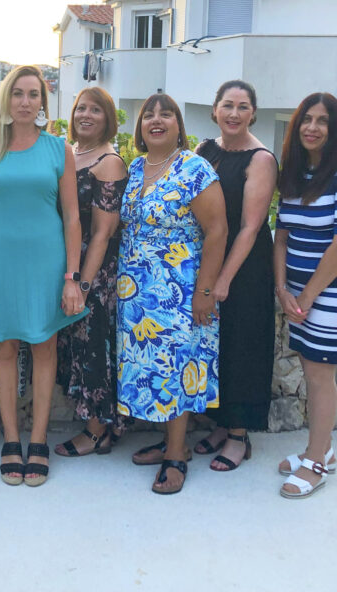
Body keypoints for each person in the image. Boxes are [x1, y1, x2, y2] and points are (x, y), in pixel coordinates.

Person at [0, 65, 86, 487]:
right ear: (6, 100)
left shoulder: (58, 148)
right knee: (5, 348)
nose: (26, 102)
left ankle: (39, 441)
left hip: (47, 261)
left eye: (34, 94)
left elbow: (72, 218)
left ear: (43, 102)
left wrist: (72, 276)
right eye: (18, 94)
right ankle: (12, 440)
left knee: (45, 347)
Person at [116, 93, 227, 495]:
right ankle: (169, 441)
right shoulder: (134, 167)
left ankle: (176, 456)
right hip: (137, 294)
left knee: (174, 369)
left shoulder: (194, 169)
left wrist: (205, 291)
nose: (156, 120)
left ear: (179, 126)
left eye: (166, 115)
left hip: (177, 291)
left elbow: (218, 230)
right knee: (153, 368)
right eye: (149, 115)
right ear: (140, 127)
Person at [274, 92, 337, 499]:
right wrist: (283, 289)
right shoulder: (296, 176)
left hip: (334, 292)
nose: (312, 128)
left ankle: (316, 462)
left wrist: (309, 296)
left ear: (336, 130)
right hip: (298, 291)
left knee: (320, 373)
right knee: (310, 368)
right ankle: (322, 450)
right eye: (306, 120)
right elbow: (281, 238)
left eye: (322, 121)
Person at [192, 80, 278, 471]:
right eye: (227, 105)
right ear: (215, 109)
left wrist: (223, 279)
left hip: (244, 267)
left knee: (242, 347)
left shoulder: (260, 159)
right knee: (216, 345)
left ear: (253, 114)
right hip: (209, 257)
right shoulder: (204, 150)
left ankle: (240, 437)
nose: (234, 113)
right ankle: (221, 425)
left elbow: (249, 227)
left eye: (243, 107)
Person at [53, 87, 129, 458]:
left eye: (95, 110)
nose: (85, 114)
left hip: (95, 273)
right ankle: (102, 426)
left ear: (108, 118)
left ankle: (98, 430)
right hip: (69, 267)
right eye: (80, 108)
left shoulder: (109, 162)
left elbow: (103, 232)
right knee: (77, 348)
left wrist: (82, 283)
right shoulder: (71, 154)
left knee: (94, 347)